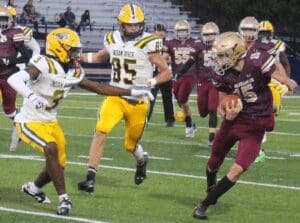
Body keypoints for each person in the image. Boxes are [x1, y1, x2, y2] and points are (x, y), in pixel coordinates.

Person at [7, 27, 154, 216]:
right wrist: (30, 95)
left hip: (51, 122)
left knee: (58, 164)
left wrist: (132, 91)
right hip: (29, 121)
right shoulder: (43, 64)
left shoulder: (73, 71)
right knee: (50, 148)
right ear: (59, 49)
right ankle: (64, 199)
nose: (77, 54)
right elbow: (14, 79)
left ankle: (34, 188)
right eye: (72, 50)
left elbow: (99, 87)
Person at [192, 32, 297, 220]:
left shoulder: (256, 62)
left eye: (222, 55)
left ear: (236, 52)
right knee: (213, 161)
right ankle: (211, 188)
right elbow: (221, 103)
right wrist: (226, 111)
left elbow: (277, 73)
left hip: (256, 123)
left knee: (238, 168)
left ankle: (204, 205)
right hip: (235, 121)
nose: (219, 59)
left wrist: (287, 82)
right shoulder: (221, 74)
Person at [77, 3, 172, 193]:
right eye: (131, 25)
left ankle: (142, 160)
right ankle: (90, 178)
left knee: (130, 145)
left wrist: (150, 83)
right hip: (116, 95)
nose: (135, 28)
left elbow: (167, 73)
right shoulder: (111, 39)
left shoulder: (148, 43)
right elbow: (97, 58)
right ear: (121, 25)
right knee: (101, 131)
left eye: (138, 24)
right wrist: (75, 56)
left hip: (138, 101)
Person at [254, 20, 291, 162]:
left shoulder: (277, 45)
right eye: (261, 33)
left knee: (269, 118)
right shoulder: (254, 46)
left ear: (271, 34)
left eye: (266, 33)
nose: (263, 36)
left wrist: (286, 81)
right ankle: (258, 150)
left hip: (274, 82)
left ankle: (258, 148)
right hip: (259, 83)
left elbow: (285, 63)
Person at [6, 5, 41, 151]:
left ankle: (21, 128)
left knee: (15, 106)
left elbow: (36, 49)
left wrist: (31, 68)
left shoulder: (22, 31)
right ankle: (18, 122)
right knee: (8, 109)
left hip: (17, 72)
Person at [0, 6, 30, 151]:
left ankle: (19, 123)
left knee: (9, 110)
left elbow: (26, 56)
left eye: (3, 19)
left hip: (8, 76)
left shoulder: (15, 33)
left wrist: (9, 60)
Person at [163, 20, 198, 137]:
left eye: (184, 31)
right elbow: (165, 56)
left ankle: (188, 125)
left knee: (182, 97)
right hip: (177, 74)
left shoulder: (194, 42)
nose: (182, 33)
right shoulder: (170, 42)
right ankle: (191, 121)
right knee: (179, 99)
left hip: (190, 74)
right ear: (175, 32)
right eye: (180, 31)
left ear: (188, 31)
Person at [147, 23, 175, 126]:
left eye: (162, 31)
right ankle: (146, 117)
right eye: (159, 30)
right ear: (154, 31)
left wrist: (157, 60)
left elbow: (167, 56)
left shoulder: (168, 43)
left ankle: (170, 119)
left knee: (167, 97)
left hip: (165, 72)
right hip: (154, 72)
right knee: (151, 96)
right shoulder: (149, 43)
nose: (161, 33)